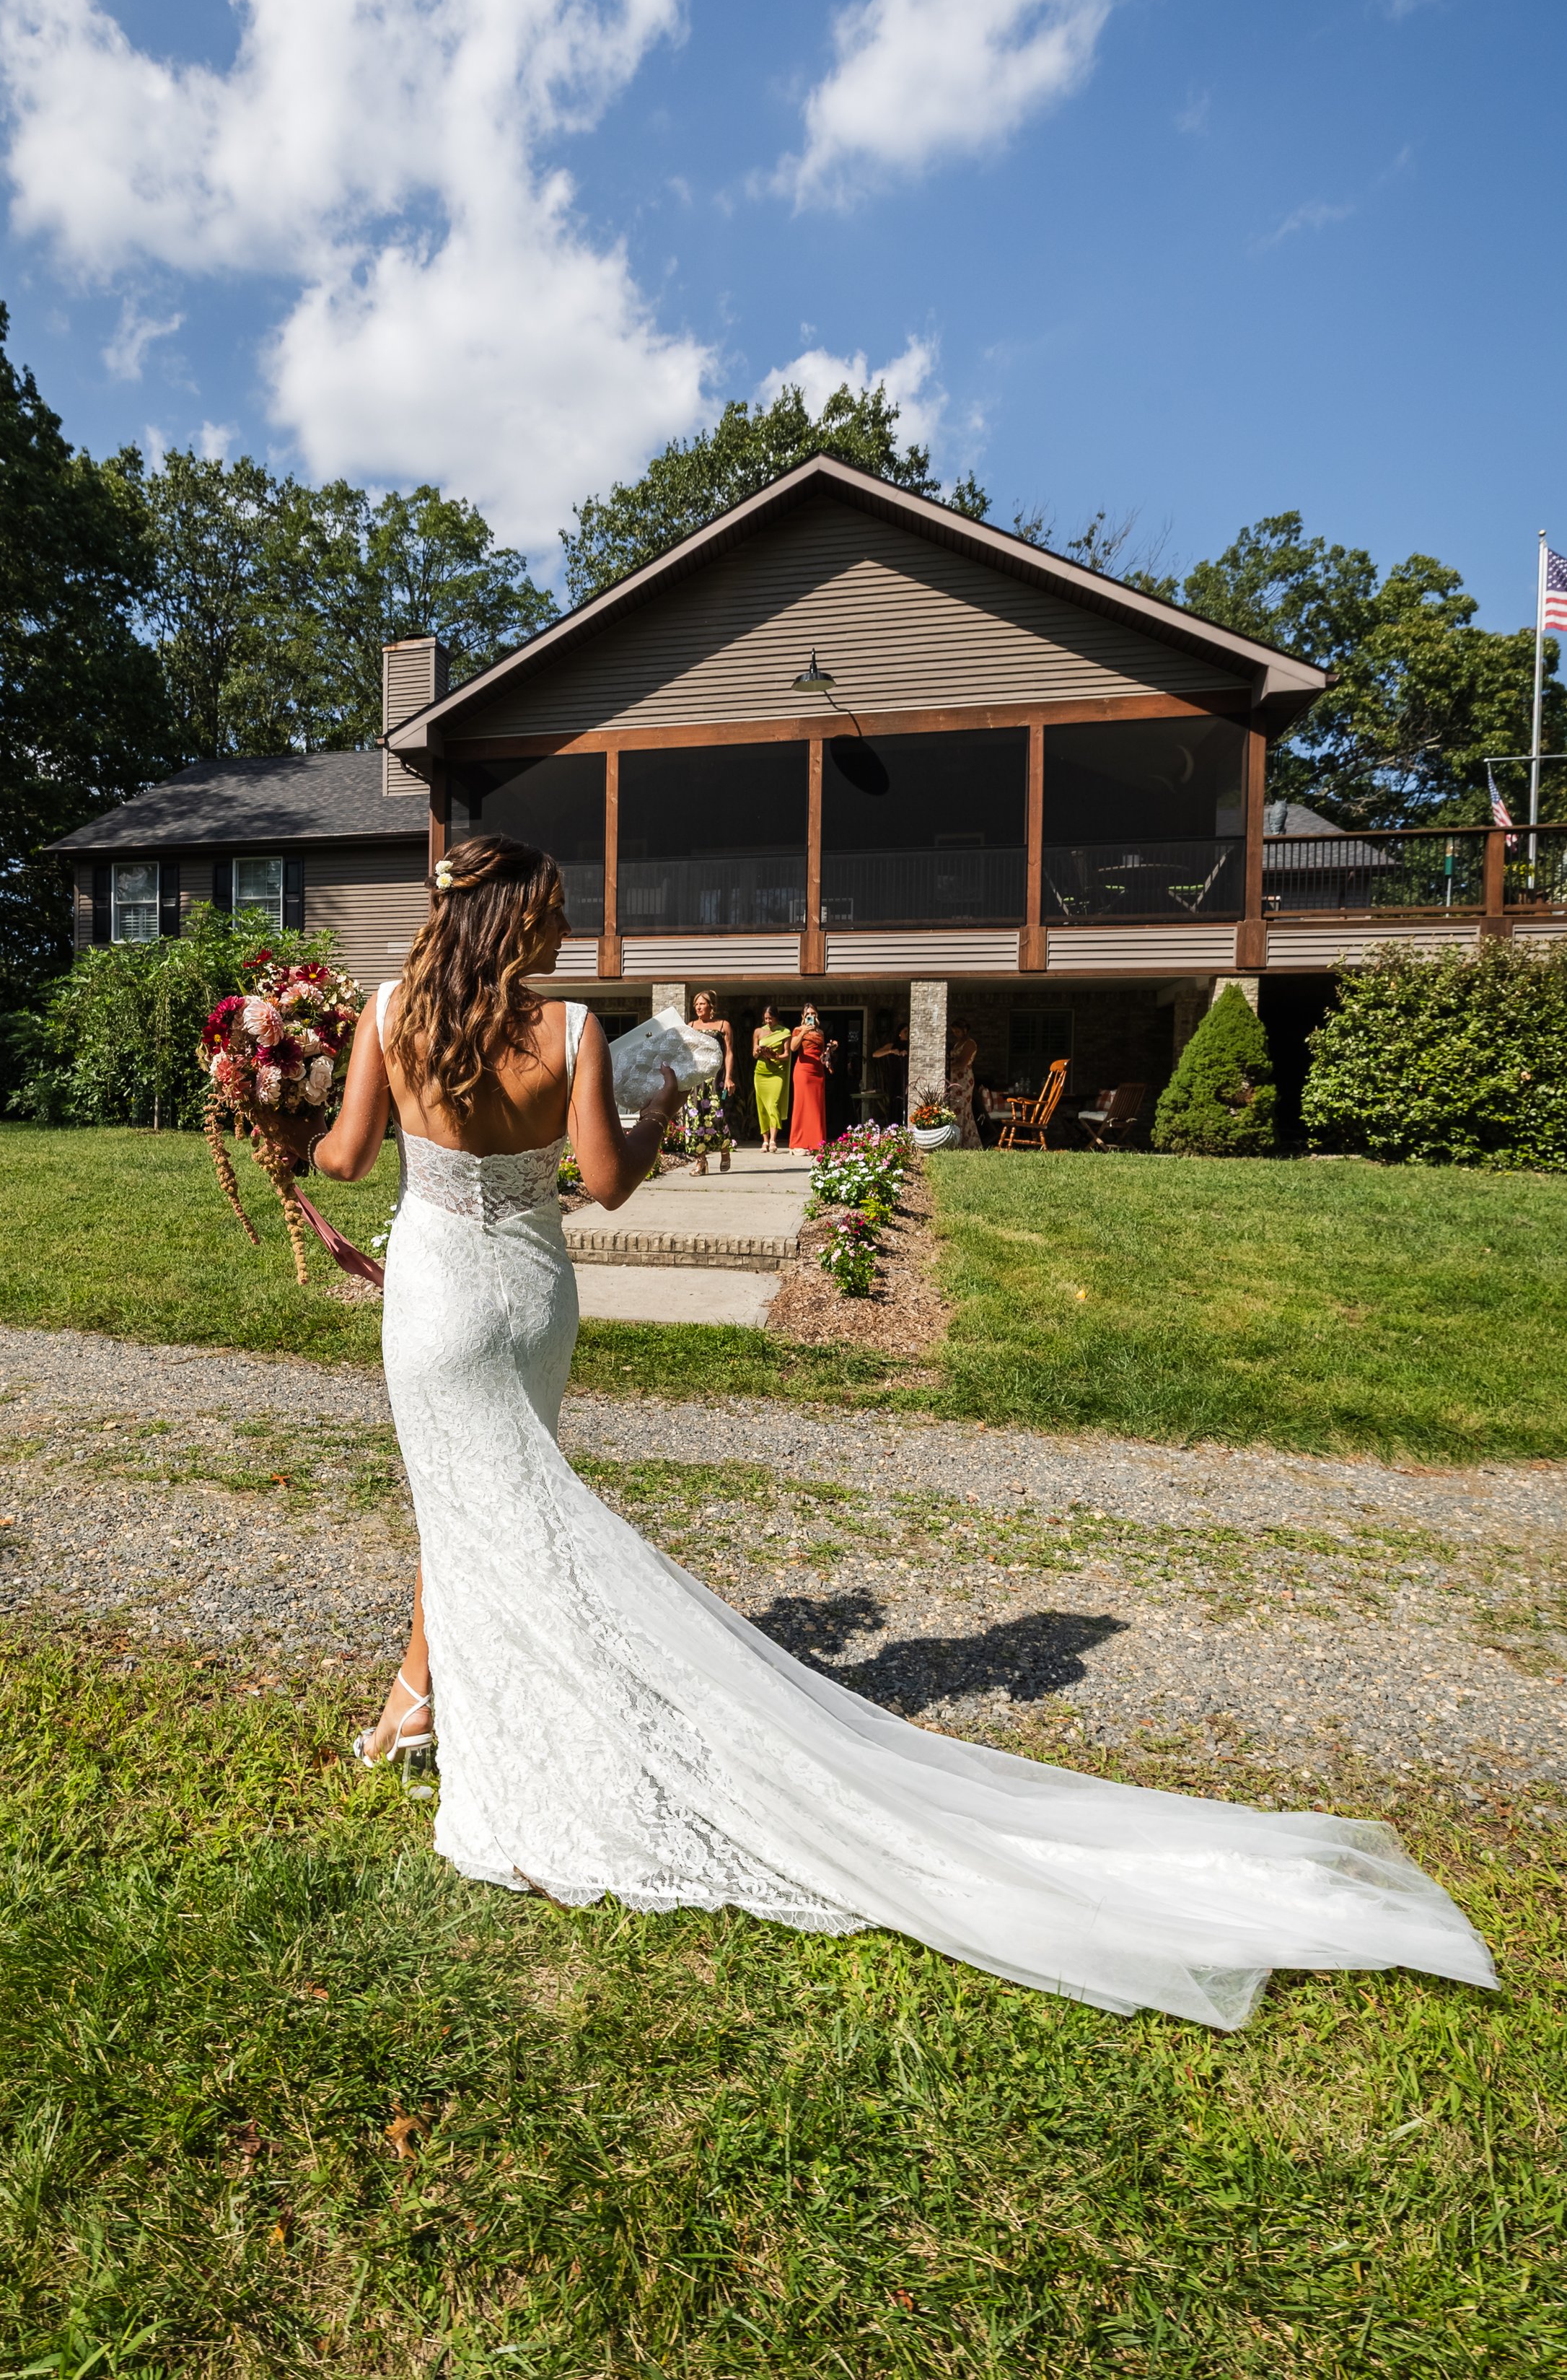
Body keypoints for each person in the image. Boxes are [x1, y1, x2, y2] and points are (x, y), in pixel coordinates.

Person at [268, 832, 1495, 2031]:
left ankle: (456, 1723)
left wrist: (298, 1126)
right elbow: (607, 1183)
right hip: (531, 1296)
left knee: (472, 1493)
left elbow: (345, 1157)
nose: (565, 931)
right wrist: (653, 1102)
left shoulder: (387, 1012)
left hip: (434, 1293)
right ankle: (412, 1707)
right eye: (555, 915)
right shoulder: (573, 1031)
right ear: (522, 925)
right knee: (495, 1494)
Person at [690, 989, 737, 1171]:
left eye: (702, 1003)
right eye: (696, 1005)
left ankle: (724, 1150)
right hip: (695, 1079)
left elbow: (729, 1052)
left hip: (716, 1078)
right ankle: (701, 1161)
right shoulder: (691, 1025)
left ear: (711, 1006)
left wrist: (729, 1078)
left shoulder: (723, 1025)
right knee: (694, 1120)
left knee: (717, 1117)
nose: (698, 1007)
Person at [787, 1002, 835, 1155]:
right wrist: (803, 1033)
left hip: (818, 1071)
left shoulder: (820, 1032)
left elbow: (821, 1055)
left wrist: (829, 1051)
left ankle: (816, 1143)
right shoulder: (798, 1030)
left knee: (816, 1107)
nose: (811, 1017)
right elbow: (793, 1048)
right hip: (803, 1071)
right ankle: (798, 1143)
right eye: (808, 1014)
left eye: (814, 1014)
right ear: (803, 1016)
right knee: (802, 1106)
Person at [752, 1004, 791, 1152]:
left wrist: (774, 1056)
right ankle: (765, 1140)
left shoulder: (785, 1032)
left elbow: (787, 1055)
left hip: (777, 1073)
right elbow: (754, 1055)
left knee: (773, 1104)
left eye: (771, 1018)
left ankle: (774, 1139)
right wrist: (758, 1051)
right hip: (761, 1073)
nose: (768, 1021)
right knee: (762, 1107)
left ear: (776, 1017)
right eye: (766, 1018)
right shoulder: (758, 1032)